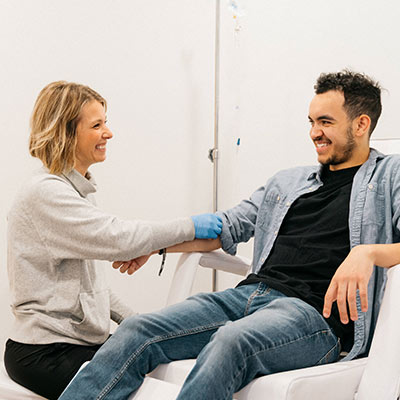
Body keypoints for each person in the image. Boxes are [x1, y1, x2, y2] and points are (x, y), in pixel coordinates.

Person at [59, 70, 400, 400]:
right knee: (137, 331)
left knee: (230, 342)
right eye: (311, 122)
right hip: (248, 296)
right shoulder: (289, 181)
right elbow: (227, 226)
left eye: (325, 122)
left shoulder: (389, 176)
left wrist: (369, 253)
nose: (314, 133)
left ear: (361, 124)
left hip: (311, 318)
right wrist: (156, 245)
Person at [4, 81, 222, 400]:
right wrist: (191, 226)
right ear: (66, 132)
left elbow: (93, 289)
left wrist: (145, 324)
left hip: (82, 343)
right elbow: (120, 238)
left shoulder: (74, 190)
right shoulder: (45, 193)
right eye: (97, 125)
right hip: (46, 353)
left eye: (105, 122)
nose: (108, 133)